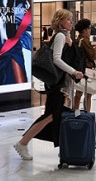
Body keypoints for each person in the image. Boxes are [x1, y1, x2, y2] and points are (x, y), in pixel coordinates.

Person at [13, 9, 84, 160]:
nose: (71, 22)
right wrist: (73, 72)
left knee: (56, 116)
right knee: (50, 116)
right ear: (60, 22)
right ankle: (23, 143)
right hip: (57, 85)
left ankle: (63, 148)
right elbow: (57, 59)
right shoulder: (59, 36)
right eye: (68, 19)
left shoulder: (65, 37)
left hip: (59, 84)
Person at [72, 18, 96, 113]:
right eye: (88, 28)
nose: (90, 30)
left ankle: (76, 114)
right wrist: (95, 50)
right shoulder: (84, 41)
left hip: (79, 68)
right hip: (87, 69)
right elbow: (93, 55)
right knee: (88, 93)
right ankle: (87, 115)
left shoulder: (77, 40)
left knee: (78, 92)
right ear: (84, 30)